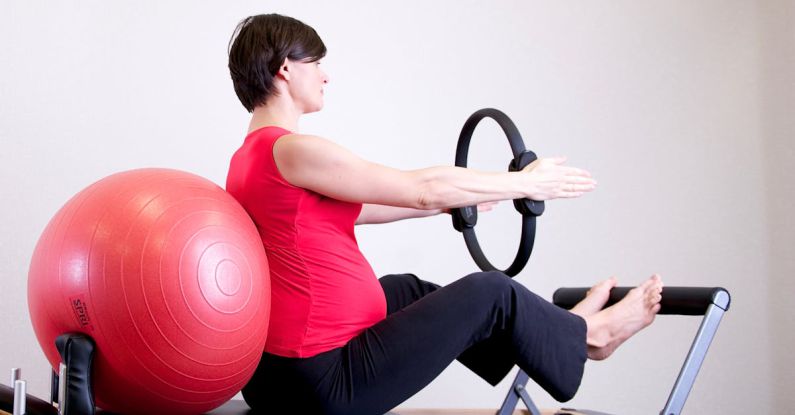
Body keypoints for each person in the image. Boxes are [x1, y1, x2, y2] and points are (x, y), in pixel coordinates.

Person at [225, 13, 663, 415]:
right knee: (489, 292)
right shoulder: (293, 149)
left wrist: (449, 205)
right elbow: (421, 189)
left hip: (276, 377)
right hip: (321, 382)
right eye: (317, 63)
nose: (325, 75)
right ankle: (590, 336)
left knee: (405, 289)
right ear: (286, 68)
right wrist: (527, 183)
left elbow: (354, 209)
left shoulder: (250, 158)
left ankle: (557, 331)